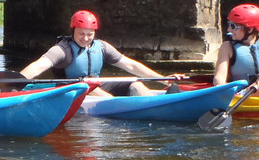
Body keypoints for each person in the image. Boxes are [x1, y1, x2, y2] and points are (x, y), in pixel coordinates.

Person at [19, 10, 181, 97]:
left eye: (90, 34)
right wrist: (16, 83)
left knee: (135, 84)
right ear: (73, 30)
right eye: (81, 33)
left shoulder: (101, 47)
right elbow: (38, 65)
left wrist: (163, 80)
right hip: (74, 88)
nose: (85, 38)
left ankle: (158, 102)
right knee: (105, 96)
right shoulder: (63, 49)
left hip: (97, 84)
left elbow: (130, 64)